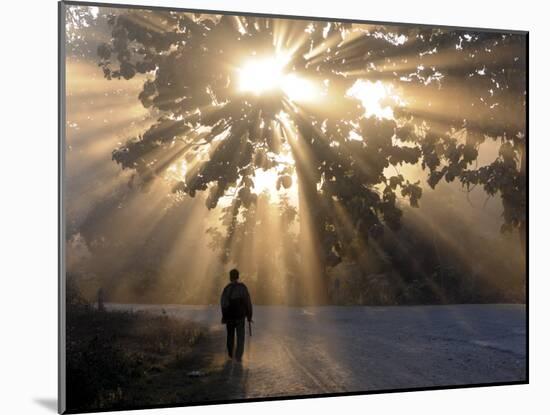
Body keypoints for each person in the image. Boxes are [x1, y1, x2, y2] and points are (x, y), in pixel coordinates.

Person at [220, 269, 253, 362]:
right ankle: (239, 357)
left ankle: (230, 355)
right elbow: (248, 302)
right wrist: (249, 315)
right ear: (238, 276)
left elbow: (223, 303)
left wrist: (224, 316)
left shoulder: (227, 289)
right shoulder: (243, 288)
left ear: (230, 277)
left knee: (230, 336)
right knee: (240, 337)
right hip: (240, 317)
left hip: (230, 317)